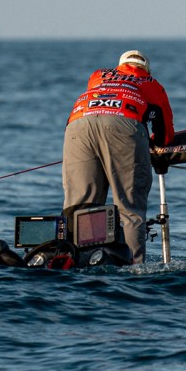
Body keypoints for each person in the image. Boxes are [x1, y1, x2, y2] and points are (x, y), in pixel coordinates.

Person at [62, 50, 174, 264]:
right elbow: (165, 135)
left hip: (77, 125)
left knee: (79, 206)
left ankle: (73, 263)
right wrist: (152, 145)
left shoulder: (98, 76)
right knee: (129, 208)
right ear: (146, 69)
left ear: (119, 66)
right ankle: (133, 270)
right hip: (125, 126)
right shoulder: (152, 84)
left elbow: (101, 111)